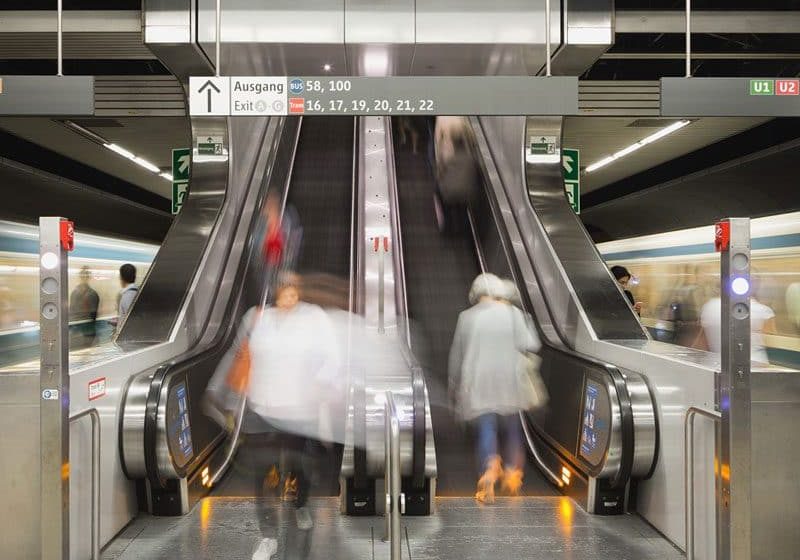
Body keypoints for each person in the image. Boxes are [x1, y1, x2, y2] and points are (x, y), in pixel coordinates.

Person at [242, 276, 340, 537]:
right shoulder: (260, 318)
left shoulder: (313, 317)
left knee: (298, 465)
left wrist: (321, 383)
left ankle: (299, 504)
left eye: (294, 294)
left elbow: (333, 354)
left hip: (298, 410)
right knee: (263, 473)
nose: (290, 299)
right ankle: (267, 535)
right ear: (276, 294)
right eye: (286, 294)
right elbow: (244, 356)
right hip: (263, 410)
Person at [448, 273, 542, 503]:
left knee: (487, 426)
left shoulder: (467, 317)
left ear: (475, 293)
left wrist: (454, 383)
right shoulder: (513, 313)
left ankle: (488, 473)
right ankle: (512, 474)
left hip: (479, 381)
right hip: (510, 380)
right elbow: (532, 344)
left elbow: (457, 355)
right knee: (511, 427)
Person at [696, 286, 776, 364]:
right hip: (756, 363)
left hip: (718, 364)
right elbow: (771, 339)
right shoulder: (763, 310)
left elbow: (702, 343)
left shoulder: (709, 307)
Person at [432, 116, 480, 234]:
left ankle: (447, 225)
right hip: (468, 194)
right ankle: (464, 228)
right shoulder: (472, 158)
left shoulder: (449, 159)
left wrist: (438, 179)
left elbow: (440, 173)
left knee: (438, 192)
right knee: (463, 206)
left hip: (450, 194)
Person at [70, 266, 100, 347]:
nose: (84, 277)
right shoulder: (76, 293)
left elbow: (93, 314)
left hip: (83, 331)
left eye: (86, 275)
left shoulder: (92, 293)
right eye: (83, 275)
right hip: (82, 331)